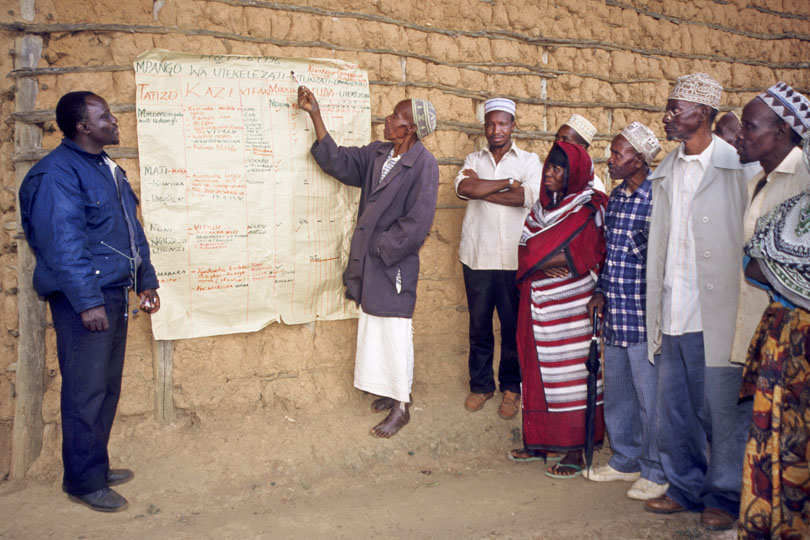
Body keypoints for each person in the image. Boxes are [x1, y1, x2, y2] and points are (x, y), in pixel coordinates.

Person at [18, 91, 161, 512]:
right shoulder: (57, 174)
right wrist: (86, 302)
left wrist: (145, 280)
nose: (114, 121)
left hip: (113, 293)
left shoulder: (106, 168)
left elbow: (130, 232)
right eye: (105, 116)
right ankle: (82, 480)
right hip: (86, 300)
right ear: (83, 126)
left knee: (106, 388)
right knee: (84, 392)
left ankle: (94, 466)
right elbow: (62, 244)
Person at [643, 73, 753, 531]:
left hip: (718, 310)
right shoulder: (668, 168)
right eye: (668, 108)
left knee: (722, 411)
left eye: (677, 108)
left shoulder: (737, 166)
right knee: (677, 408)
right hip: (675, 305)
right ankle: (685, 487)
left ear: (704, 114)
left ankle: (725, 496)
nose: (668, 117)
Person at [297, 86, 439, 438]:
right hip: (374, 262)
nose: (387, 120)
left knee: (394, 331)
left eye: (395, 117)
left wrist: (380, 245)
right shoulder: (379, 154)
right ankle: (391, 390)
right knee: (375, 328)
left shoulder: (424, 165)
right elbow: (340, 162)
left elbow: (417, 224)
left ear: (410, 130)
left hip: (393, 265)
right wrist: (315, 115)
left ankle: (402, 406)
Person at [512, 140, 608, 477]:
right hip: (539, 305)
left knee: (571, 379)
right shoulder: (540, 209)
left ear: (574, 174)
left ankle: (574, 451)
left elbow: (586, 252)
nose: (550, 174)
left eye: (558, 169)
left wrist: (536, 261)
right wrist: (537, 263)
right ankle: (542, 441)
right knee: (539, 373)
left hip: (572, 309)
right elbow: (524, 252)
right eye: (549, 167)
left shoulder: (587, 208)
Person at [585, 122, 668, 500]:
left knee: (649, 396)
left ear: (639, 160)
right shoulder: (617, 198)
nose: (611, 158)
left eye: (618, 153)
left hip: (643, 315)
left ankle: (656, 468)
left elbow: (662, 261)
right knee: (618, 392)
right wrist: (600, 290)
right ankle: (625, 460)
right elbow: (611, 255)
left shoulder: (657, 198)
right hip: (616, 311)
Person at [736, 143, 810, 537]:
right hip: (790, 342)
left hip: (790, 334)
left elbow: (763, 265)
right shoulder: (792, 211)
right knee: (783, 442)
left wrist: (786, 269)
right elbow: (754, 266)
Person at [455, 98, 541, 419]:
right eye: (491, 124)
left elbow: (526, 198)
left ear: (512, 126)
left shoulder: (529, 161)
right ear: (485, 127)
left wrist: (484, 188)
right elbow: (465, 189)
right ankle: (481, 386)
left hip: (512, 260)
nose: (496, 130)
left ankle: (511, 388)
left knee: (510, 327)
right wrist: (506, 183)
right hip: (477, 256)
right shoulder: (472, 158)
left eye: (503, 123)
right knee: (479, 326)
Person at [731, 82, 810, 370]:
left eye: (749, 126)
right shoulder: (757, 180)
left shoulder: (804, 178)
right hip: (758, 333)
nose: (740, 135)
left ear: (781, 131)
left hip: (794, 340)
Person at [555, 114, 607, 192]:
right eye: (557, 138)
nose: (558, 143)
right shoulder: (551, 175)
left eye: (564, 139)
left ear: (581, 147)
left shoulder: (594, 186)